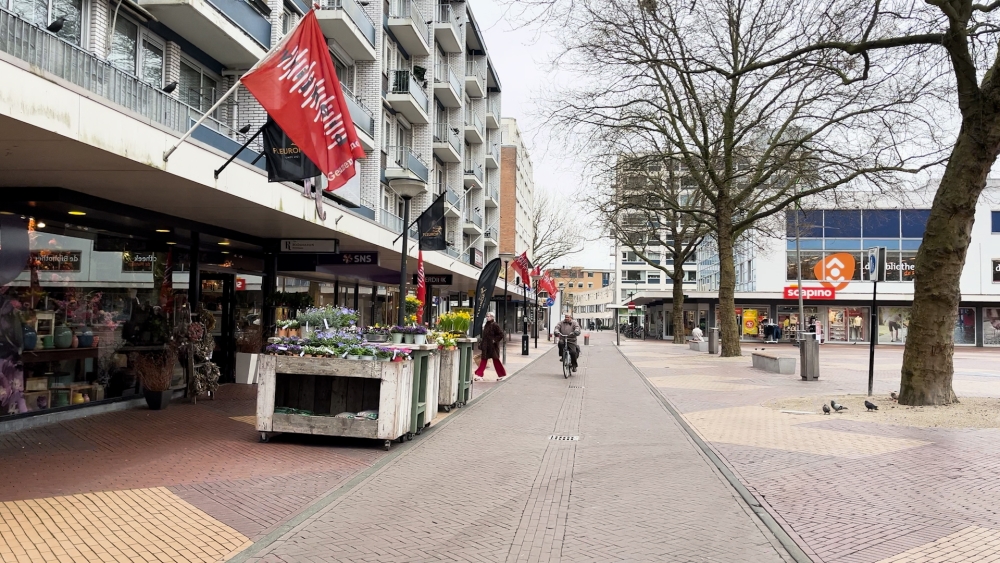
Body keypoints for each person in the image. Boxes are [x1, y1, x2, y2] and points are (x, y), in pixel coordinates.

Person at [474, 312, 507, 380]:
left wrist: (494, 340)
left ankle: (501, 375)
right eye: (487, 316)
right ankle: (479, 375)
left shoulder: (495, 325)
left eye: (488, 316)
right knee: (483, 360)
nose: (487, 317)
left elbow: (501, 334)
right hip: (486, 346)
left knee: (496, 360)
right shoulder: (486, 324)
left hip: (493, 347)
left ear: (492, 317)